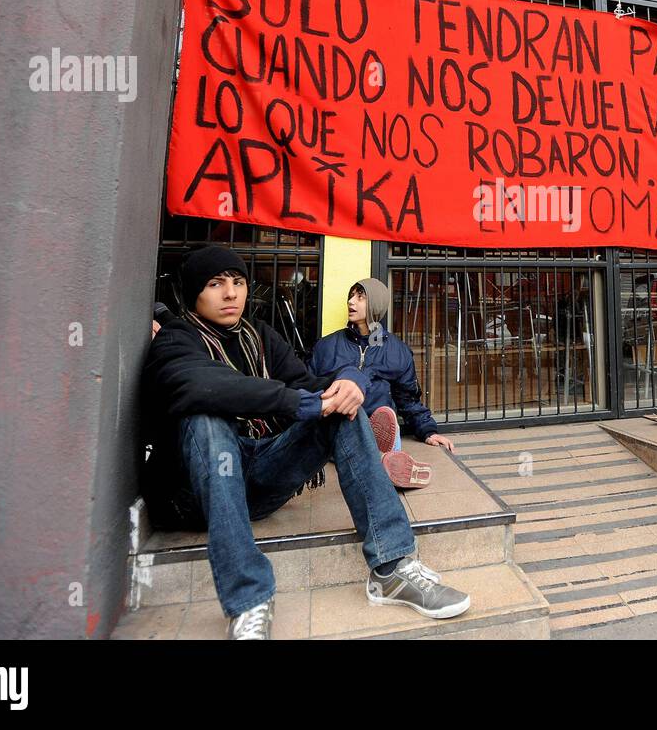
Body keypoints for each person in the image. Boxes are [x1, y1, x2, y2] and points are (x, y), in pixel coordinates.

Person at [141, 245, 471, 639]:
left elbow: (306, 383)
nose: (231, 294)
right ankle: (249, 602)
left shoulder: (259, 336)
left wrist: (345, 387)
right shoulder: (175, 340)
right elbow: (205, 386)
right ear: (194, 293)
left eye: (238, 283)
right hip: (194, 493)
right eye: (215, 284)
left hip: (258, 478)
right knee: (206, 417)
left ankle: (392, 568)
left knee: (342, 412)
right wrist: (303, 401)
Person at [309, 278, 454, 488]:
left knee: (379, 426)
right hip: (337, 425)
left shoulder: (397, 350)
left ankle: (379, 455)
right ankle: (387, 464)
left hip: (379, 426)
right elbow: (309, 387)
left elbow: (408, 398)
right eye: (351, 296)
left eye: (360, 297)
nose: (351, 302)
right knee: (345, 436)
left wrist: (428, 431)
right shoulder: (327, 346)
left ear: (376, 304)